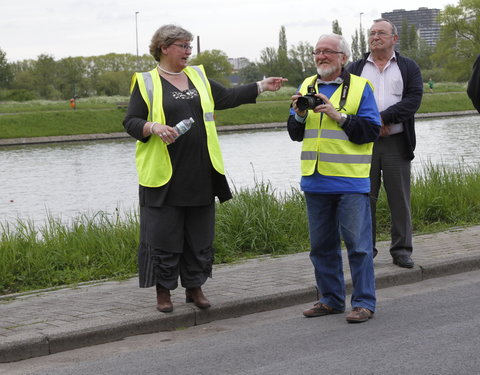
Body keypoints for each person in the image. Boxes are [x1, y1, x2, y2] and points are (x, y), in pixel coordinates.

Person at [123, 24, 287, 313]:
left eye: (189, 46)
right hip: (164, 177)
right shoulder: (146, 82)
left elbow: (227, 98)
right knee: (164, 237)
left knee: (199, 236)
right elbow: (131, 121)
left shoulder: (197, 77)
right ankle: (164, 292)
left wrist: (262, 86)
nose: (188, 51)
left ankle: (194, 288)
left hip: (201, 172)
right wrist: (154, 126)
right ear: (164, 47)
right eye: (183, 46)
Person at [288, 33, 381, 323]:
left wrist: (337, 115)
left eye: (328, 52)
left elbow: (370, 131)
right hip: (315, 180)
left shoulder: (361, 87)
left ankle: (364, 303)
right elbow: (295, 132)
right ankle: (330, 299)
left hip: (349, 180)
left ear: (343, 57)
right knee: (321, 246)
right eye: (317, 52)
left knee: (359, 246)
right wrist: (300, 114)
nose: (321, 57)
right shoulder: (307, 85)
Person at [347, 18, 423, 269]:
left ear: (394, 38)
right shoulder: (355, 68)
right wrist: (370, 124)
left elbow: (413, 100)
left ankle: (401, 250)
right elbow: (345, 102)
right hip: (363, 144)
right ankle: (365, 250)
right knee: (364, 198)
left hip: (396, 142)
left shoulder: (408, 67)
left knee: (399, 198)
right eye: (371, 33)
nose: (375, 37)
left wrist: (384, 118)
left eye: (381, 33)